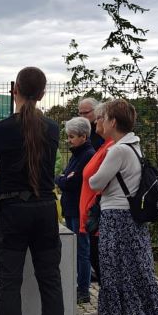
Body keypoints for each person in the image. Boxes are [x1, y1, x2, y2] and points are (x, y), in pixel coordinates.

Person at [0, 67, 67, 315]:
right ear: (43, 94)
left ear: (13, 90)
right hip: (45, 208)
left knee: (9, 286)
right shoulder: (53, 128)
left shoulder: (2, 129)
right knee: (51, 282)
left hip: (13, 211)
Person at [87, 99, 158, 315]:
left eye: (104, 117)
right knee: (131, 270)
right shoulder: (134, 146)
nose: (100, 121)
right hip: (131, 219)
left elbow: (95, 183)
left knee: (115, 271)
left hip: (116, 217)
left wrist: (94, 177)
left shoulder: (118, 150)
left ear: (113, 121)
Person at [56, 117, 95, 304]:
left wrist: (63, 179)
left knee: (82, 250)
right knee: (76, 248)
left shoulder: (87, 154)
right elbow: (64, 177)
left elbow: (72, 181)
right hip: (71, 206)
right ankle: (78, 285)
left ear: (83, 136)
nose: (69, 140)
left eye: (72, 136)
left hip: (79, 208)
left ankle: (83, 289)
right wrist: (63, 178)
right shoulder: (76, 154)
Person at [77, 97, 103, 284]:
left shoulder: (101, 137)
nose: (83, 116)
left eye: (86, 113)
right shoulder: (83, 133)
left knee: (91, 247)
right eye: (80, 113)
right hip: (84, 196)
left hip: (97, 199)